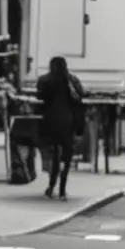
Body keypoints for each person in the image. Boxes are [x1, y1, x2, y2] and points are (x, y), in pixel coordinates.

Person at [36, 55, 84, 200]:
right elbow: (80, 95)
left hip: (50, 121)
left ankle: (51, 186)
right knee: (67, 157)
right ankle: (62, 190)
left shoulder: (45, 80)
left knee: (54, 155)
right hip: (68, 122)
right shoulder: (72, 80)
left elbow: (40, 96)